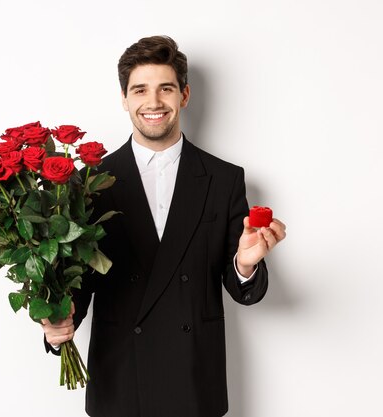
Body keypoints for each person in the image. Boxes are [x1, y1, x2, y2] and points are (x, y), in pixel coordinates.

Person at [40, 35, 286, 417]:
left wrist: (244, 265)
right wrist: (57, 322)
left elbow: (244, 293)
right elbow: (79, 283)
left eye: (165, 89)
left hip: (192, 383)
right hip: (121, 382)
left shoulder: (223, 179)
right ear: (124, 99)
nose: (153, 102)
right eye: (140, 90)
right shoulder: (89, 183)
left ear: (184, 95)